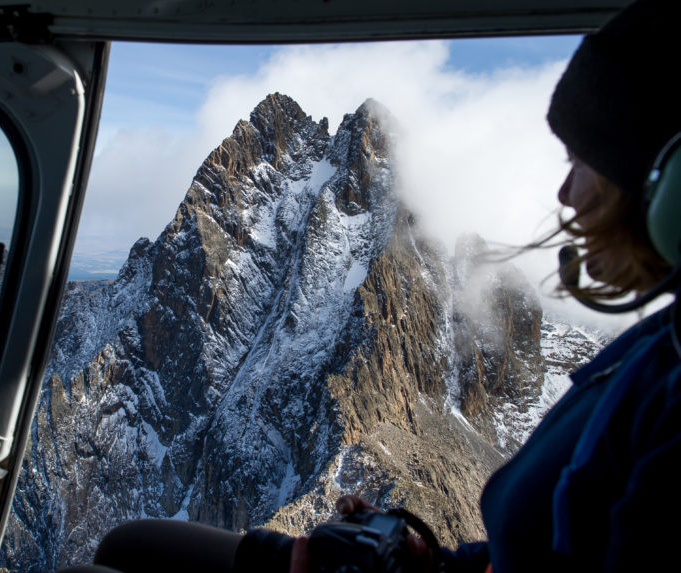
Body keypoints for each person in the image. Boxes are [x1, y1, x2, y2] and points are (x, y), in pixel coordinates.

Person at [81, 0, 681, 572]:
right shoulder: (660, 346)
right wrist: (435, 565)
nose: (565, 195)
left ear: (667, 187)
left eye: (584, 163)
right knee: (130, 544)